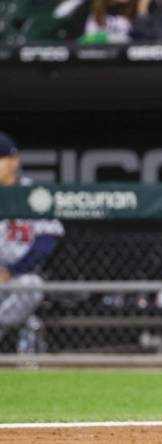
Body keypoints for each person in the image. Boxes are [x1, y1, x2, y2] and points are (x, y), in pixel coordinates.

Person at [0, 132, 64, 349]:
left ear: (14, 161)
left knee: (32, 286)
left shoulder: (33, 192)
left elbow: (49, 237)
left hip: (18, 277)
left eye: (0, 159)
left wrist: (14, 270)